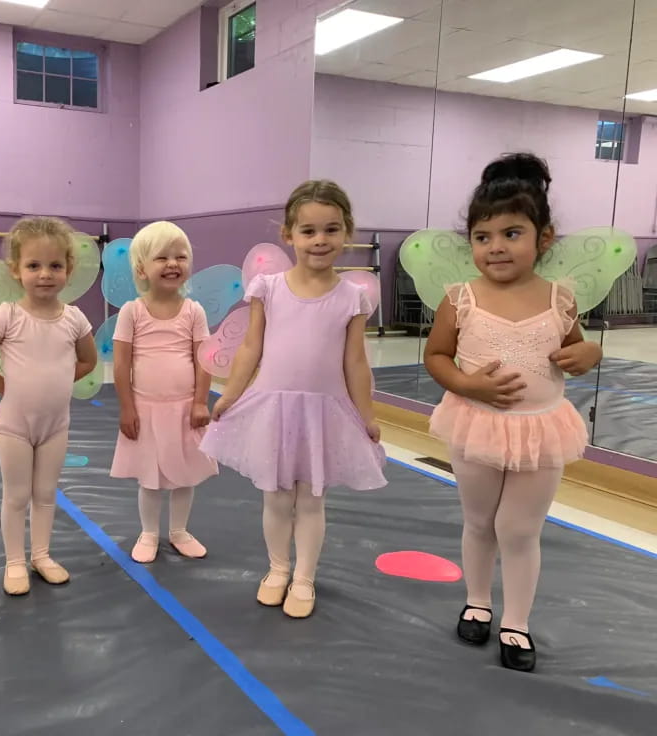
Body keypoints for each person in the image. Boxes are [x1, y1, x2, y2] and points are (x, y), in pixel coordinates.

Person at [423, 153, 602, 672]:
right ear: (471, 243)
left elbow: (577, 349)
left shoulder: (559, 299)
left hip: (540, 430)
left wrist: (591, 354)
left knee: (520, 530)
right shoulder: (460, 299)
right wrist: (466, 383)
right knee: (480, 521)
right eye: (483, 237)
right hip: (476, 425)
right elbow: (436, 355)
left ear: (543, 238)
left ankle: (516, 622)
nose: (495, 247)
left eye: (511, 233)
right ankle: (478, 600)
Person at [200, 180, 386, 619]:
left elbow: (355, 362)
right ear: (289, 234)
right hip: (273, 407)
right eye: (308, 231)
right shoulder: (269, 287)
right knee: (277, 497)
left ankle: (304, 577)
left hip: (324, 411)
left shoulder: (352, 297)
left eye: (331, 230)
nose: (319, 240)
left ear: (347, 233)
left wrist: (367, 415)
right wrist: (230, 394)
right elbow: (251, 348)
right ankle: (277, 569)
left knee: (313, 498)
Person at [0, 217, 97, 595]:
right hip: (15, 424)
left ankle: (41, 554)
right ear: (16, 270)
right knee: (17, 495)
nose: (45, 275)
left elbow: (87, 362)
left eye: (55, 266)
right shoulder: (8, 315)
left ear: (68, 269)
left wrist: (55, 382)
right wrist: (9, 387)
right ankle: (15, 561)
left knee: (47, 493)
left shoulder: (74, 318)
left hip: (56, 424)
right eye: (34, 266)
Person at [110, 221, 218, 564]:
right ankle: (149, 532)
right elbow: (120, 366)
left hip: (185, 408)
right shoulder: (132, 311)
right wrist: (127, 409)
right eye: (162, 258)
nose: (173, 264)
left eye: (180, 256)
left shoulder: (194, 311)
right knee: (150, 477)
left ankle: (179, 531)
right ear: (142, 268)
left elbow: (204, 359)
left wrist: (201, 401)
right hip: (147, 409)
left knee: (186, 474)